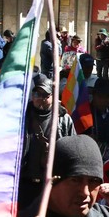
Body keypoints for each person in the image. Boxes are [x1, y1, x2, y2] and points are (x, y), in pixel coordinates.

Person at [18, 74, 75, 208]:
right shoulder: (22, 117)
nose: (41, 99)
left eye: (45, 95)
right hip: (25, 183)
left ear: (53, 96)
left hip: (52, 184)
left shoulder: (63, 119)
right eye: (37, 94)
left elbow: (72, 151)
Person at [82, 78, 109, 160]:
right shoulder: (84, 114)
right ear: (94, 95)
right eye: (100, 97)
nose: (103, 101)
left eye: (107, 97)